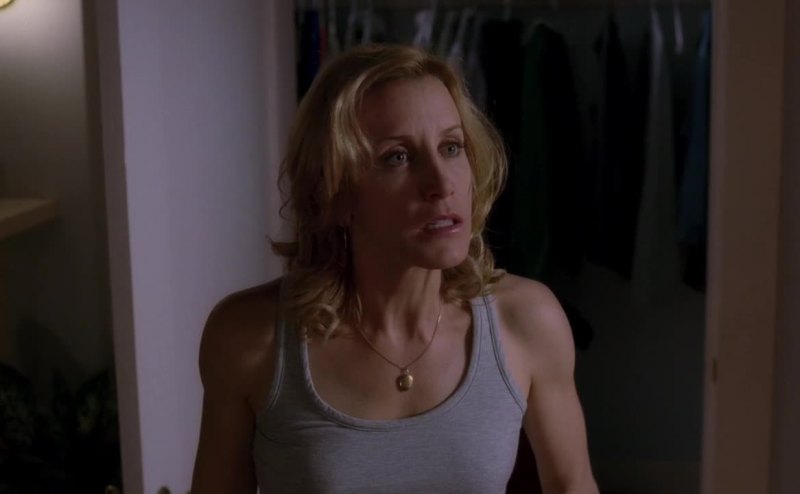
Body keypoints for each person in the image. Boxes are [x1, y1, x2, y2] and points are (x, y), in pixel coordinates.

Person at [191, 44, 598, 493]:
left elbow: (573, 483)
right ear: (334, 192)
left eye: (451, 147)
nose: (441, 184)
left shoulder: (527, 321)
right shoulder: (250, 338)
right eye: (397, 157)